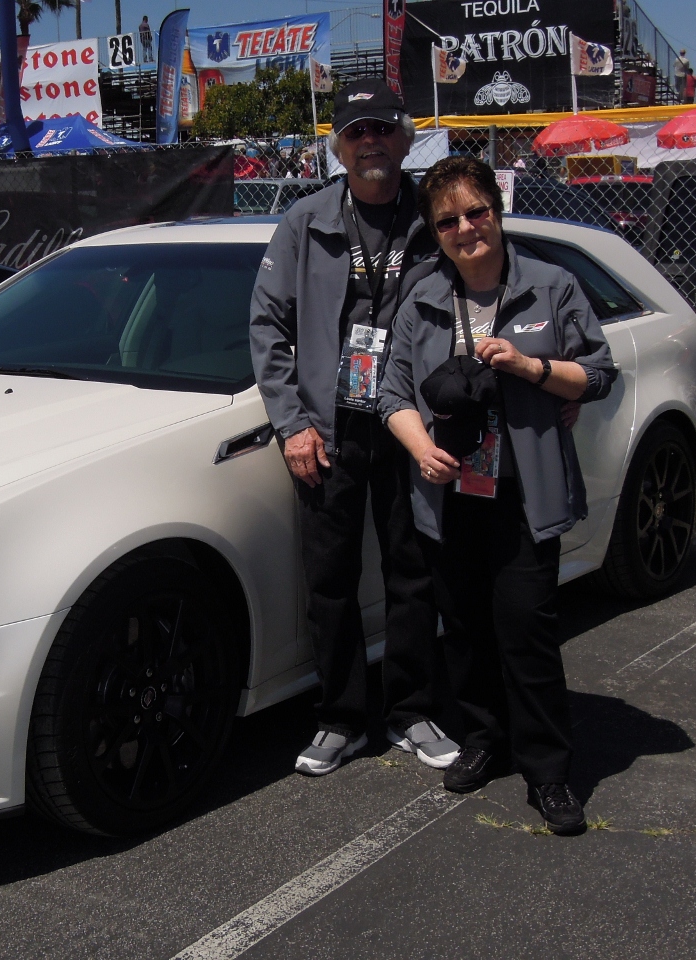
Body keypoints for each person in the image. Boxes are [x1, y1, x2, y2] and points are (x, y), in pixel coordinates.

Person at [378, 156, 617, 836]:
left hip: (523, 496)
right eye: (448, 219)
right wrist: (422, 448)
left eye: (475, 212)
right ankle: (484, 738)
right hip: (448, 499)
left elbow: (598, 375)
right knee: (467, 632)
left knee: (527, 633)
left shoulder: (550, 286)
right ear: (435, 229)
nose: (464, 228)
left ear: (497, 211)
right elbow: (392, 393)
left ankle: (549, 772)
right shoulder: (422, 295)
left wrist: (532, 368)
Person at [251, 79, 459, 778]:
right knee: (330, 581)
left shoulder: (435, 218)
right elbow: (267, 329)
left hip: (410, 425)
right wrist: (293, 425)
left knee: (413, 574)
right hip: (330, 429)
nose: (369, 141)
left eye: (381, 128)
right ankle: (340, 719)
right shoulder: (305, 223)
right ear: (338, 146)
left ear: (404, 137)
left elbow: (490, 287)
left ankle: (412, 712)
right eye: (355, 131)